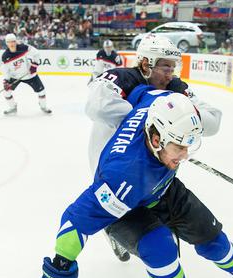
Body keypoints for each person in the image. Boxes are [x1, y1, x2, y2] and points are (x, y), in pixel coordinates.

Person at [38, 88, 233, 278]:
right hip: (126, 209)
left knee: (212, 239)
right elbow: (77, 219)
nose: (185, 155)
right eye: (179, 146)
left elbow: (146, 91)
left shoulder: (156, 107)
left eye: (188, 145)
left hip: (162, 189)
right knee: (161, 251)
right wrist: (61, 263)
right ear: (157, 137)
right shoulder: (122, 175)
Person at [85, 34, 222, 262]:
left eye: (173, 67)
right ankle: (111, 230)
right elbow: (95, 107)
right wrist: (153, 122)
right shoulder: (122, 77)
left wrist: (180, 113)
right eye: (165, 67)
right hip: (113, 168)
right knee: (117, 211)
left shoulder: (174, 88)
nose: (171, 74)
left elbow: (213, 122)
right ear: (147, 63)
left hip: (154, 170)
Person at [1, 33, 51, 115]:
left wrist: (34, 66)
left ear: (16, 41)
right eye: (9, 42)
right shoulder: (5, 56)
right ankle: (12, 107)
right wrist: (6, 81)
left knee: (42, 91)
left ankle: (43, 106)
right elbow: (6, 70)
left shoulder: (23, 47)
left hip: (29, 75)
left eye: (13, 41)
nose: (11, 44)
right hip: (15, 77)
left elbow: (36, 53)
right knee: (6, 92)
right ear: (6, 43)